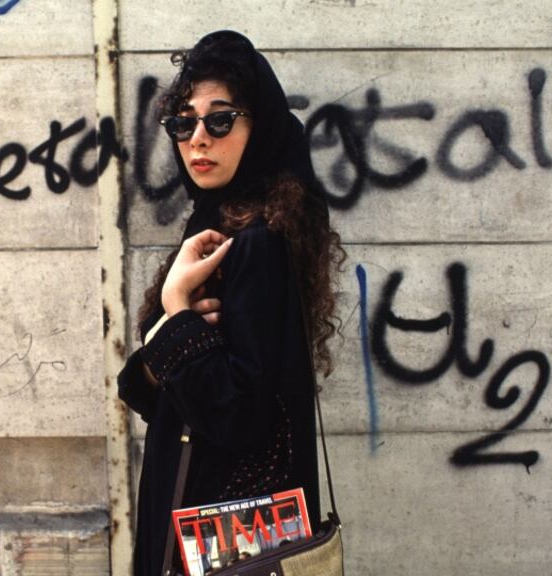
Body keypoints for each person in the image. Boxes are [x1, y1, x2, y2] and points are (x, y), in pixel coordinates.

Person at [117, 30, 344, 576]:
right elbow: (149, 390)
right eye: (183, 123)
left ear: (257, 126)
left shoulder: (258, 242)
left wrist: (176, 306)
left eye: (220, 120)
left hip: (225, 528)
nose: (198, 139)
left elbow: (238, 414)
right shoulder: (214, 224)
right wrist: (166, 341)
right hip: (200, 514)